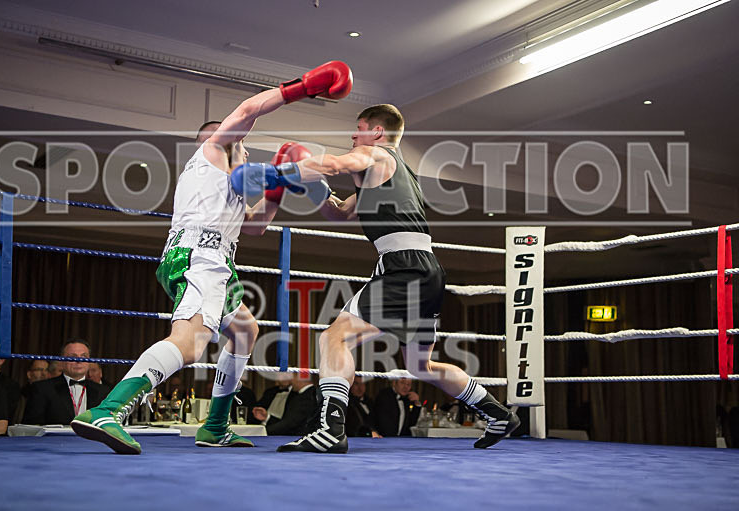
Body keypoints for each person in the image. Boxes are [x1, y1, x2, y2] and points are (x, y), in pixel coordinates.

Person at [70, 60, 353, 454]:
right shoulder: (213, 152)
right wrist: (303, 88)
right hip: (200, 256)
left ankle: (215, 426)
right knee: (188, 345)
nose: (247, 146)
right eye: (242, 141)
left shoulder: (227, 185)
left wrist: (277, 188)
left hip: (217, 261)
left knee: (245, 331)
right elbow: (247, 110)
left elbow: (255, 227)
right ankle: (107, 411)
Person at [232, 104, 519, 453]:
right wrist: (311, 185)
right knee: (420, 364)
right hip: (426, 271)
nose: (354, 135)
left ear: (378, 133)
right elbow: (338, 213)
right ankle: (498, 413)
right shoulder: (392, 174)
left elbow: (335, 163)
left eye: (359, 128)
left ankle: (330, 430)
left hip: (402, 268)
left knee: (333, 339)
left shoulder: (376, 155)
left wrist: (272, 172)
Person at [23, 340, 109, 425]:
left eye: (84, 356)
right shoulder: (42, 389)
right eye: (73, 357)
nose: (78, 361)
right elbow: (31, 426)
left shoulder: (103, 391)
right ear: (62, 361)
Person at [252, 375, 317, 436]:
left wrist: (262, 431)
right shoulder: (305, 395)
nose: (291, 381)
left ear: (300, 378)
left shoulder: (307, 396)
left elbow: (290, 424)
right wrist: (267, 417)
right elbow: (289, 421)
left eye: (292, 377)